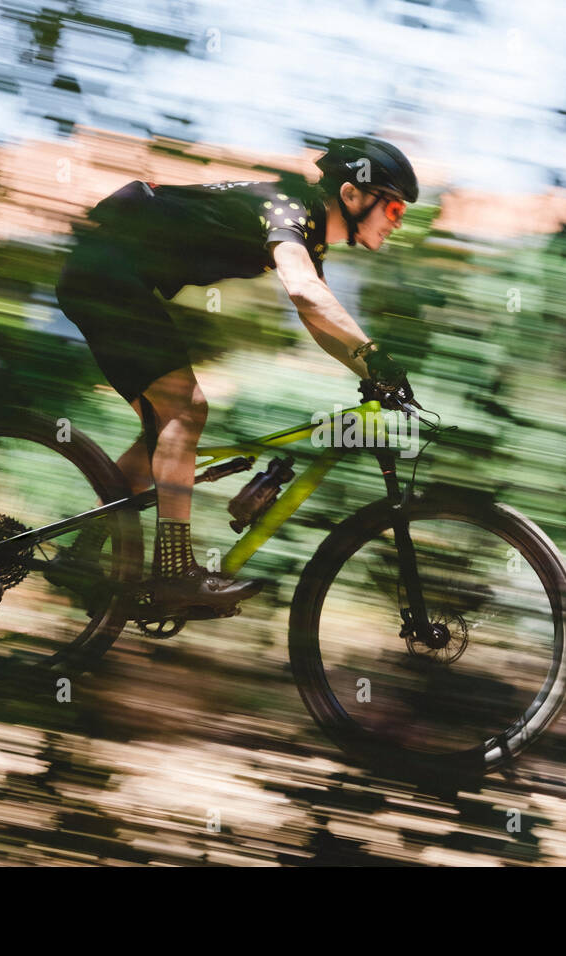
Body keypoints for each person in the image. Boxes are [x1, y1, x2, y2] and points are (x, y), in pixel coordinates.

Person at [53, 135, 420, 611]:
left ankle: (81, 553)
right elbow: (305, 293)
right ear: (352, 195)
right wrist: (373, 354)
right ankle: (175, 573)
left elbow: (318, 320)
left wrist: (375, 374)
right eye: (393, 211)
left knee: (171, 422)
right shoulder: (289, 210)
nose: (397, 224)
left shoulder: (305, 225)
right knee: (184, 410)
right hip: (103, 273)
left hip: (114, 275)